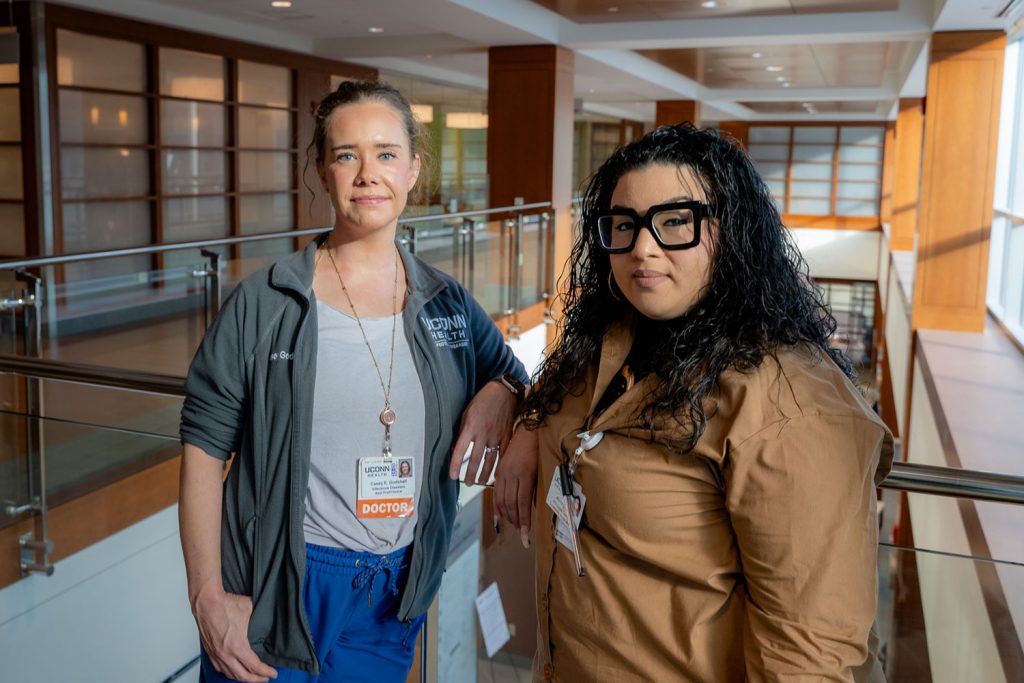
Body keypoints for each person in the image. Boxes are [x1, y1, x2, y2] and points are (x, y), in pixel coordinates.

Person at [494, 124, 894, 682]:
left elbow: (808, 653)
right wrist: (526, 422)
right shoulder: (609, 336)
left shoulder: (789, 403)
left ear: (730, 231)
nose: (642, 248)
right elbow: (560, 397)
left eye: (676, 221)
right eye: (624, 225)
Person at [179, 80, 528, 683]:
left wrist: (503, 390)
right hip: (282, 583)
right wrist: (208, 596)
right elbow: (203, 449)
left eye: (386, 154)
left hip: (393, 592)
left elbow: (514, 376)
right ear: (323, 169)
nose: (369, 173)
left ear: (414, 168)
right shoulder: (266, 303)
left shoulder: (447, 303)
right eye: (347, 155)